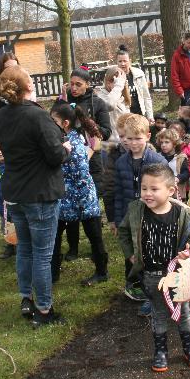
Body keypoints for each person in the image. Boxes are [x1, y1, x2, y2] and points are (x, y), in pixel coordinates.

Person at [0, 66, 71, 327]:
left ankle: (26, 299)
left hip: (15, 192)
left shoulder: (0, 117)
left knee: (24, 249)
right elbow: (55, 155)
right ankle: (44, 310)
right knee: (42, 254)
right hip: (39, 193)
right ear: (27, 85)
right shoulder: (37, 116)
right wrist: (66, 148)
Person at [118, 163, 190, 372]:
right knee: (158, 313)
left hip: (177, 275)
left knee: (183, 312)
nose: (147, 194)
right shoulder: (136, 210)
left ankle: (189, 348)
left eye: (154, 189)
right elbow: (123, 231)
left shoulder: (183, 214)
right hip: (152, 275)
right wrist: (130, 254)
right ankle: (161, 351)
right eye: (144, 188)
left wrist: (189, 251)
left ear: (170, 190)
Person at [49, 102, 109, 286]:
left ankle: (102, 272)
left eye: (53, 120)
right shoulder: (67, 138)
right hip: (67, 198)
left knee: (94, 235)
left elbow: (80, 172)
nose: (50, 124)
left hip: (82, 199)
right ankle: (52, 273)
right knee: (55, 237)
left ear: (65, 123)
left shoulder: (71, 142)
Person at [60, 67, 113, 260]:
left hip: (92, 161)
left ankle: (96, 247)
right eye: (71, 84)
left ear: (87, 85)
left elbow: (106, 132)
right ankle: (73, 247)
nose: (74, 88)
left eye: (78, 85)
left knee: (90, 207)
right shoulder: (64, 102)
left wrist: (88, 123)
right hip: (68, 161)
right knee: (70, 206)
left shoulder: (97, 103)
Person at [114, 114, 167, 302]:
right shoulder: (121, 162)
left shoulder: (157, 161)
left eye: (138, 138)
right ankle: (134, 285)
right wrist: (117, 220)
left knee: (152, 250)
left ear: (148, 136)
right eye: (129, 139)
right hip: (130, 216)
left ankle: (155, 287)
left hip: (152, 215)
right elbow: (119, 193)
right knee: (131, 251)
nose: (133, 143)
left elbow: (166, 191)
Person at [93, 65, 130, 146]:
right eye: (116, 81)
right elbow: (109, 104)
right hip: (107, 145)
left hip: (123, 143)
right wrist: (118, 85)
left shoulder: (121, 96)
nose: (120, 84)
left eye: (121, 81)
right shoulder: (100, 96)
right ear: (108, 82)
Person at [115, 46, 154, 120]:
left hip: (140, 114)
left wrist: (150, 116)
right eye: (120, 61)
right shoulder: (113, 77)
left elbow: (146, 96)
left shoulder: (139, 74)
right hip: (124, 116)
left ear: (130, 61)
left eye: (125, 61)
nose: (122, 64)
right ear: (116, 62)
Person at [156, 128, 190, 200]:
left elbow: (186, 173)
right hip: (161, 193)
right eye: (161, 142)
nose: (163, 145)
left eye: (167, 142)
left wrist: (178, 178)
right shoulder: (157, 157)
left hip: (177, 194)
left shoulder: (181, 157)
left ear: (174, 144)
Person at [167, 120, 190, 185]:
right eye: (170, 131)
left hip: (187, 181)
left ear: (183, 133)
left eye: (175, 130)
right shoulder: (166, 147)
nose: (172, 133)